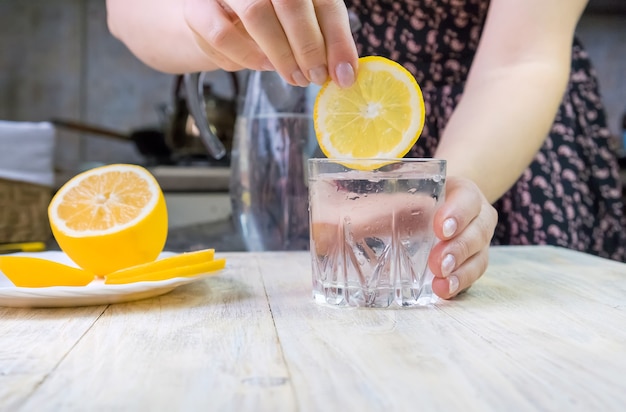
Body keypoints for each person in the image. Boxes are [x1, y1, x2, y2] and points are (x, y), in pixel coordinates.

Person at [106, 0, 626, 299]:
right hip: (327, 116)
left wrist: (443, 194)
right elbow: (127, 11)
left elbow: (522, 59)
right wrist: (206, 22)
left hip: (501, 136)